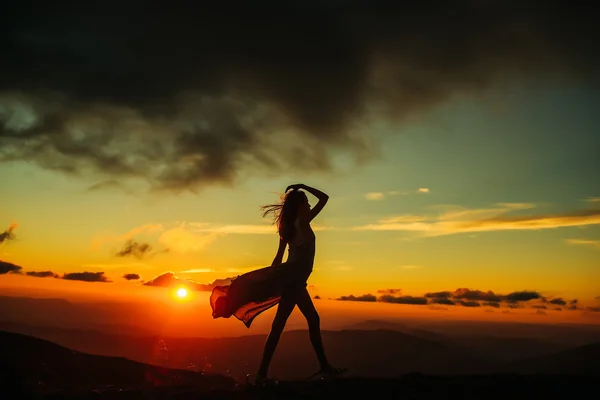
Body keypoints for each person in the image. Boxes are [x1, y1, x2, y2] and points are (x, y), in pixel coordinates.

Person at [210, 183, 346, 385]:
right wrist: (303, 186)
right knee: (293, 323)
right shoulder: (302, 221)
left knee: (294, 323)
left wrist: (272, 279)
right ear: (299, 206)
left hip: (294, 280)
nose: (309, 206)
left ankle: (314, 368)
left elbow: (279, 258)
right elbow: (325, 198)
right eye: (306, 203)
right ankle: (264, 374)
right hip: (295, 281)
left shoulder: (287, 226)